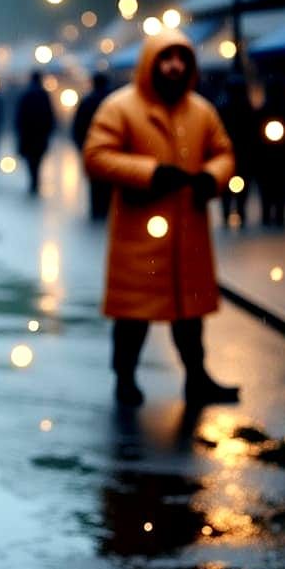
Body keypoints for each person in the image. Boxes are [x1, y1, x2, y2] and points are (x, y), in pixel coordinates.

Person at [83, 30, 239, 408]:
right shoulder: (121, 107)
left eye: (181, 59)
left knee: (190, 315)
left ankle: (196, 377)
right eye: (166, 58)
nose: (174, 66)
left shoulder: (201, 111)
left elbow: (223, 153)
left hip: (188, 231)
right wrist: (150, 173)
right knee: (132, 316)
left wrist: (212, 177)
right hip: (140, 234)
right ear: (150, 63)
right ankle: (125, 377)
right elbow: (96, 156)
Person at [215, 74, 258, 227]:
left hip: (235, 153)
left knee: (229, 185)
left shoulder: (223, 107)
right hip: (238, 153)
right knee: (237, 184)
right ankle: (237, 210)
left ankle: (230, 210)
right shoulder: (246, 107)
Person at [254, 75, 285, 226]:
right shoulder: (266, 110)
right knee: (269, 186)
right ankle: (269, 212)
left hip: (280, 157)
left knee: (279, 186)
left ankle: (278, 213)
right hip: (268, 158)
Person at [71, 71, 113, 220]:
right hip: (111, 149)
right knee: (109, 180)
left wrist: (81, 146)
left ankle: (96, 210)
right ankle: (106, 209)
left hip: (92, 147)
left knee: (95, 181)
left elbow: (78, 125)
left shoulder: (87, 101)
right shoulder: (113, 101)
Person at [14, 70, 55, 194]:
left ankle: (33, 181)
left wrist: (20, 131)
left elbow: (20, 115)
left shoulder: (26, 94)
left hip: (28, 135)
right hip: (40, 135)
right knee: (38, 159)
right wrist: (48, 131)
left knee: (31, 160)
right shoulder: (44, 95)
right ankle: (35, 181)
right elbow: (50, 115)